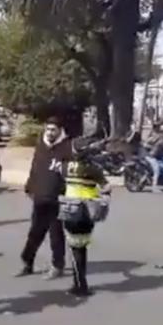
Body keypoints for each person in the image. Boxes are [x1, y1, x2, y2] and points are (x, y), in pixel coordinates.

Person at [18, 117, 73, 279]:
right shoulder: (41, 144)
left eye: (53, 130)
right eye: (48, 129)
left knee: (56, 234)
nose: (50, 133)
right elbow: (35, 167)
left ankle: (57, 266)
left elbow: (70, 172)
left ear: (60, 131)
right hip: (40, 196)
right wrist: (29, 187)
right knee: (35, 233)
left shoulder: (66, 147)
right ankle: (27, 263)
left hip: (57, 198)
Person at [60, 136, 111, 297]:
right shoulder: (94, 168)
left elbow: (60, 182)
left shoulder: (65, 166)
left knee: (74, 248)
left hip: (70, 209)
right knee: (82, 248)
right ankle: (81, 283)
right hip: (88, 211)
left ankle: (80, 285)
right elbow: (106, 187)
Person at [143, 120, 163, 193]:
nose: (158, 128)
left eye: (158, 126)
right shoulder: (153, 136)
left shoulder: (160, 134)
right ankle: (154, 187)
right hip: (150, 156)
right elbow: (145, 144)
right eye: (156, 126)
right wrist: (152, 146)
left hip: (156, 155)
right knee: (157, 170)